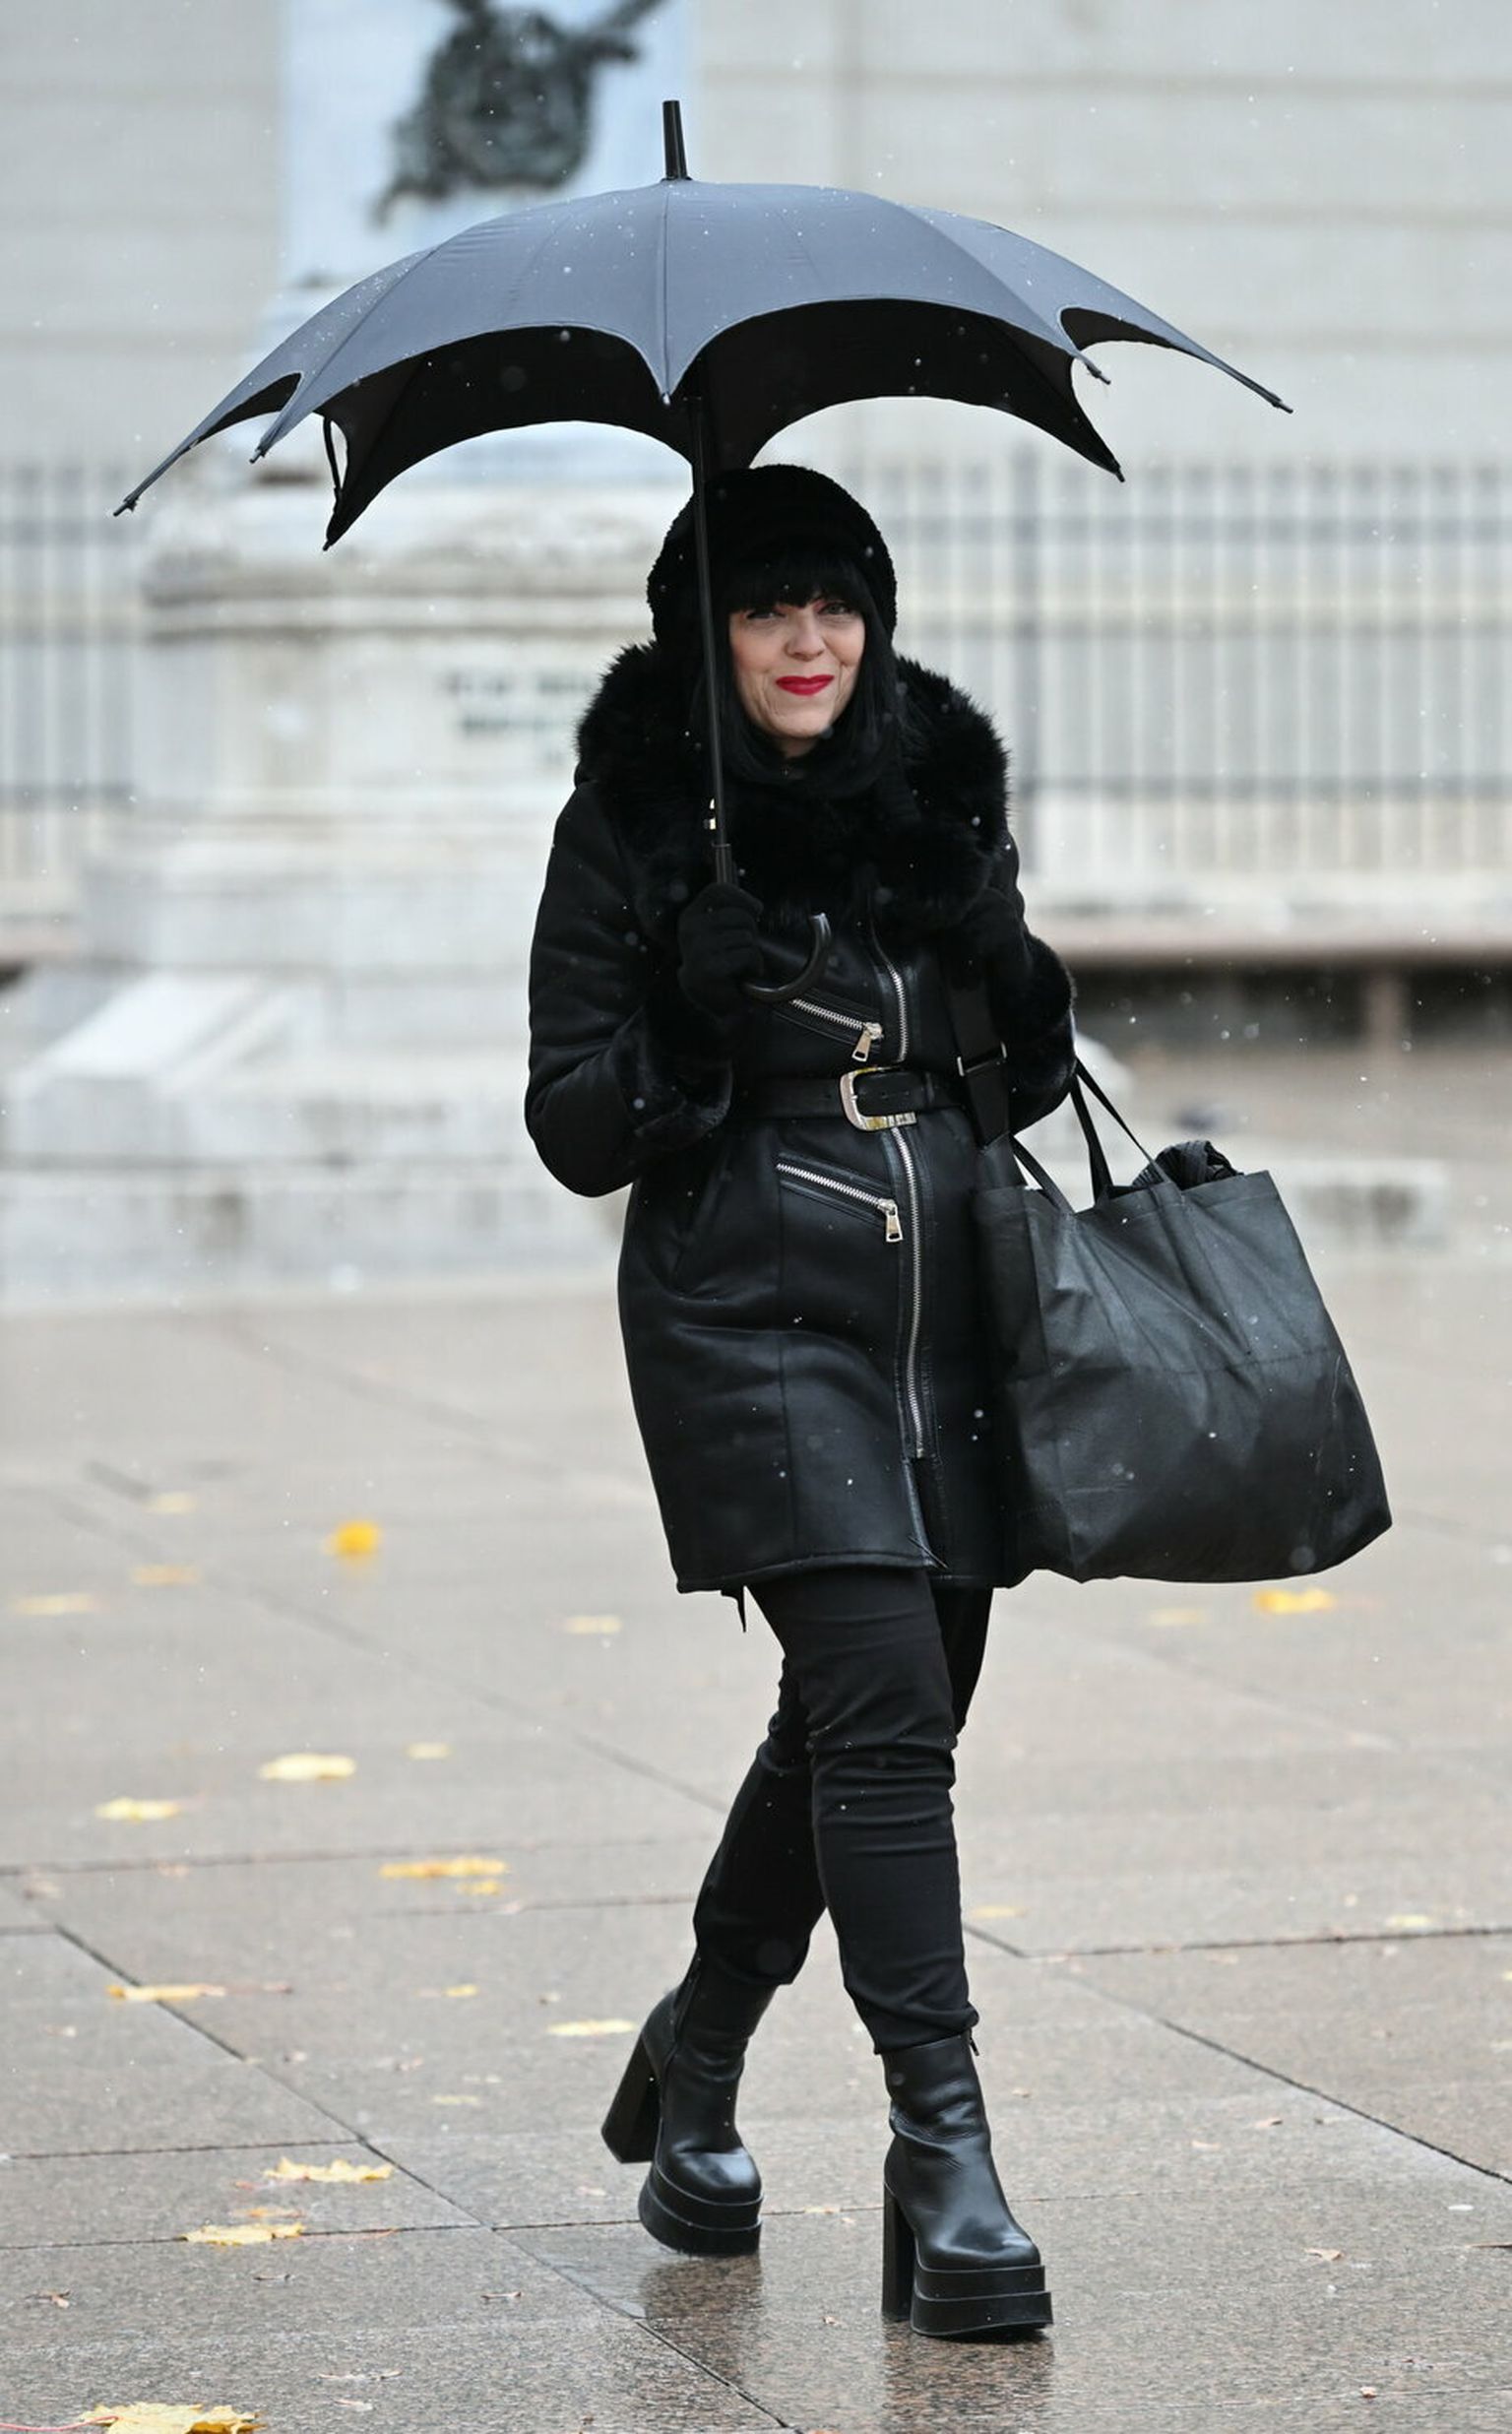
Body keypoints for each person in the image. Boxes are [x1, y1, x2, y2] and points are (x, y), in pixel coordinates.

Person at [526, 465, 1075, 2340]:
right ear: (713, 634)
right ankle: (949, 2153)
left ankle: (698, 2051)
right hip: (745, 1306)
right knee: (888, 1715)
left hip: (945, 1305)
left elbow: (1020, 1076)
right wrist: (685, 1015)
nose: (811, 642)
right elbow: (574, 1128)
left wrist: (1006, 960)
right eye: (769, 608)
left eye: (837, 604)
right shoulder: (637, 816)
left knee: (867, 1710)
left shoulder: (941, 784)